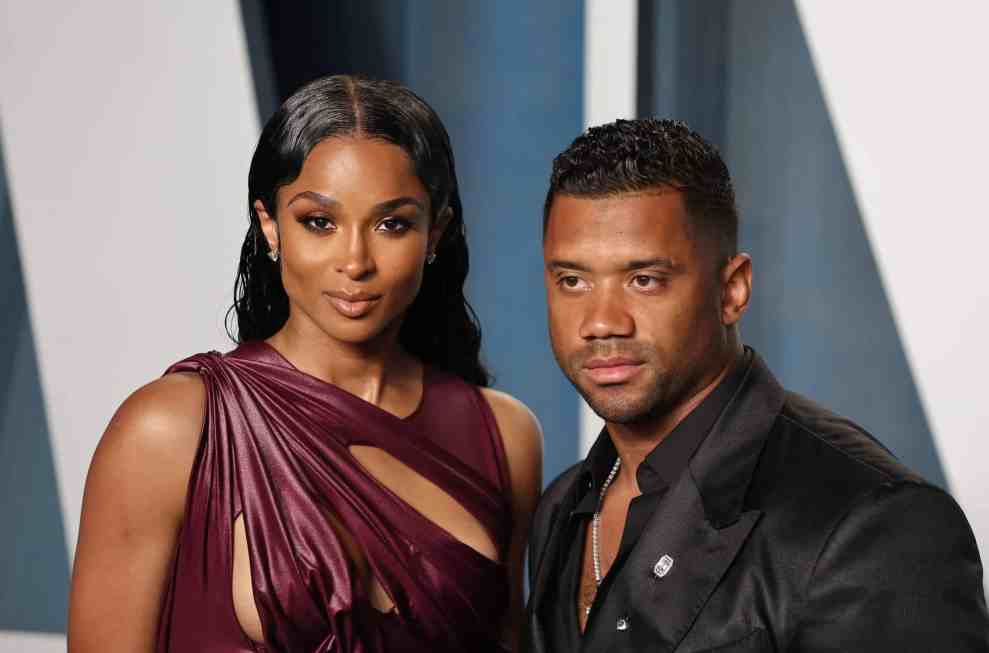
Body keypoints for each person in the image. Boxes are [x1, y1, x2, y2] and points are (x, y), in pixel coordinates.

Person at [68, 75, 543, 652]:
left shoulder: (505, 436)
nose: (355, 261)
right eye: (319, 222)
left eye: (392, 224)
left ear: (434, 233)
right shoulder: (170, 430)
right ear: (270, 226)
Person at [526, 118, 989, 651]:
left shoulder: (874, 523)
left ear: (733, 290)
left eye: (644, 280)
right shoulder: (561, 506)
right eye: (573, 281)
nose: (602, 321)